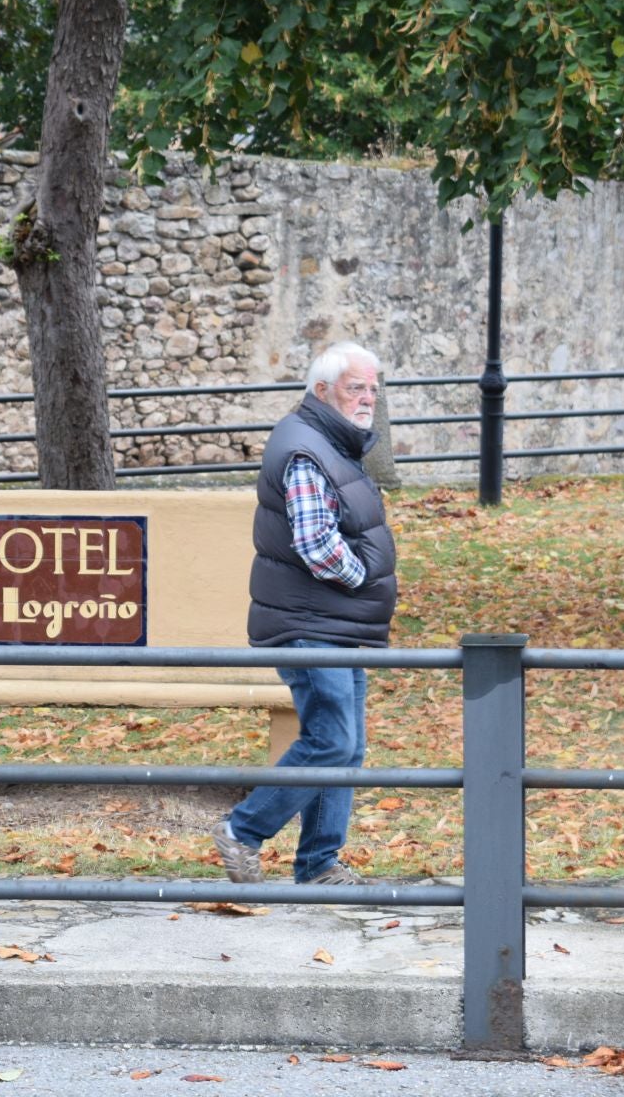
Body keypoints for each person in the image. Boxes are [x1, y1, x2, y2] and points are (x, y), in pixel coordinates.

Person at [212, 341, 397, 886]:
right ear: (322, 391)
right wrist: (362, 578)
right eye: (355, 388)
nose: (367, 399)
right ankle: (243, 830)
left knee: (345, 742)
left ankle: (318, 865)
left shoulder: (329, 442)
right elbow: (316, 543)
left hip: (332, 622)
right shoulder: (306, 449)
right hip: (309, 622)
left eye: (372, 389)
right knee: (334, 741)